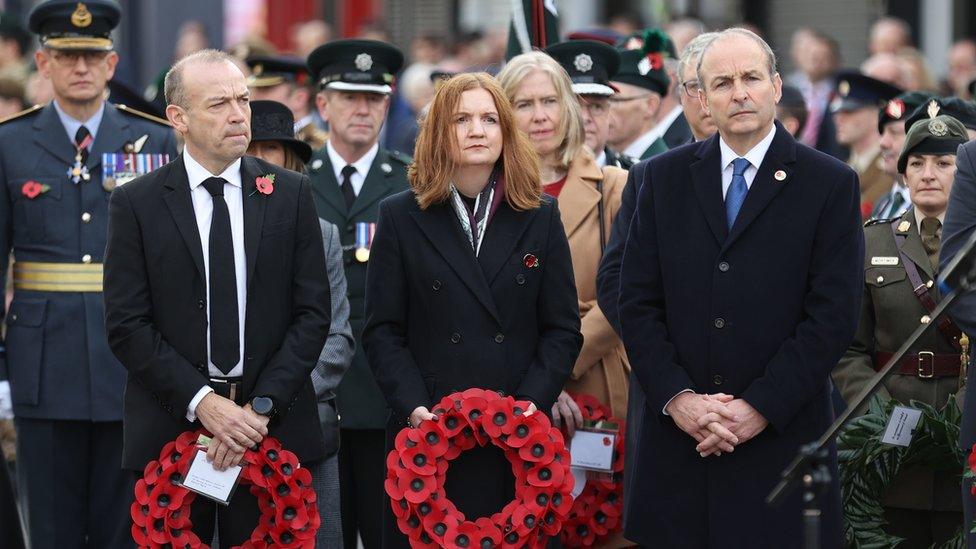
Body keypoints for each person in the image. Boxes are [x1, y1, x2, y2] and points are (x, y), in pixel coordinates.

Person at [617, 28, 863, 547]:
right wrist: (680, 399)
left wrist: (758, 409)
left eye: (751, 77)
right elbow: (636, 304)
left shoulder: (829, 183)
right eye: (723, 82)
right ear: (701, 99)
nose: (740, 92)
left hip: (779, 446)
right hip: (679, 450)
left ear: (776, 86)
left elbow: (832, 317)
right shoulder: (662, 179)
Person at [103, 49, 331, 546]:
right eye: (219, 104)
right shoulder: (136, 203)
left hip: (271, 426)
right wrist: (204, 404)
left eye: (243, 100)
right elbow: (127, 324)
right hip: (172, 424)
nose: (237, 115)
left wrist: (257, 410)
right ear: (178, 118)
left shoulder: (290, 194)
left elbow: (313, 315)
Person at [362, 70, 581, 548]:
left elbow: (562, 328)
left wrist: (528, 407)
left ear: (506, 131)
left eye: (489, 118)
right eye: (462, 119)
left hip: (515, 438)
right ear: (440, 131)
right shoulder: (401, 215)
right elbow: (383, 330)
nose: (477, 130)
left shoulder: (539, 214)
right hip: (430, 436)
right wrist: (419, 410)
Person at [0, 1, 177, 547]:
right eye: (66, 55)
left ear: (112, 64)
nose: (80, 67)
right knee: (49, 524)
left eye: (92, 56)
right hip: (42, 359)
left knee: (121, 524)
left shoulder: (156, 141)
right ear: (43, 64)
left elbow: (172, 264)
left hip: (128, 359)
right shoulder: (9, 143)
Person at [834, 112, 967, 548]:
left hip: (964, 444)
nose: (928, 174)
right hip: (889, 451)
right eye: (917, 163)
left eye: (944, 163)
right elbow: (847, 347)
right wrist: (881, 414)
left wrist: (956, 420)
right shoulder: (870, 242)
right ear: (903, 171)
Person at [304, 38, 411, 549]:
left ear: (388, 105)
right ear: (323, 104)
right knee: (320, 533)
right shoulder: (294, 180)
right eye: (349, 96)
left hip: (385, 389)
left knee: (386, 528)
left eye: (373, 98)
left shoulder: (411, 182)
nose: (362, 109)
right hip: (311, 386)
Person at [246, 99, 352, 547]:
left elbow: (337, 339)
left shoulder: (322, 232)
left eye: (274, 149)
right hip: (225, 428)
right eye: (253, 146)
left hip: (301, 426)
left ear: (292, 160)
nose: (262, 159)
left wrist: (270, 403)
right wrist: (234, 410)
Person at [545, 40, 635, 169]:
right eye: (574, 107)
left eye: (596, 107)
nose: (584, 118)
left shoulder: (633, 175)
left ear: (609, 113)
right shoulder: (536, 179)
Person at [831, 70, 903, 218]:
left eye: (849, 111)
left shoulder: (890, 170)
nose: (839, 119)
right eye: (838, 112)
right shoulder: (840, 166)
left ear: (878, 115)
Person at [608, 29, 673, 160]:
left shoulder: (663, 168)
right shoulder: (612, 161)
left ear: (650, 105)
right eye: (603, 101)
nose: (605, 109)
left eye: (615, 100)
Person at [870, 91, 935, 220]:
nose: (883, 143)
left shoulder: (933, 206)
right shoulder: (883, 204)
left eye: (894, 132)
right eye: (882, 133)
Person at [245, 55, 328, 151]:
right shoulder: (249, 139)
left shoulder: (320, 147)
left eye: (266, 89)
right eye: (256, 89)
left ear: (299, 98)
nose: (254, 96)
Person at [674, 31, 718, 144]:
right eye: (695, 86)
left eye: (719, 84)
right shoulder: (667, 162)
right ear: (681, 97)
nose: (706, 100)